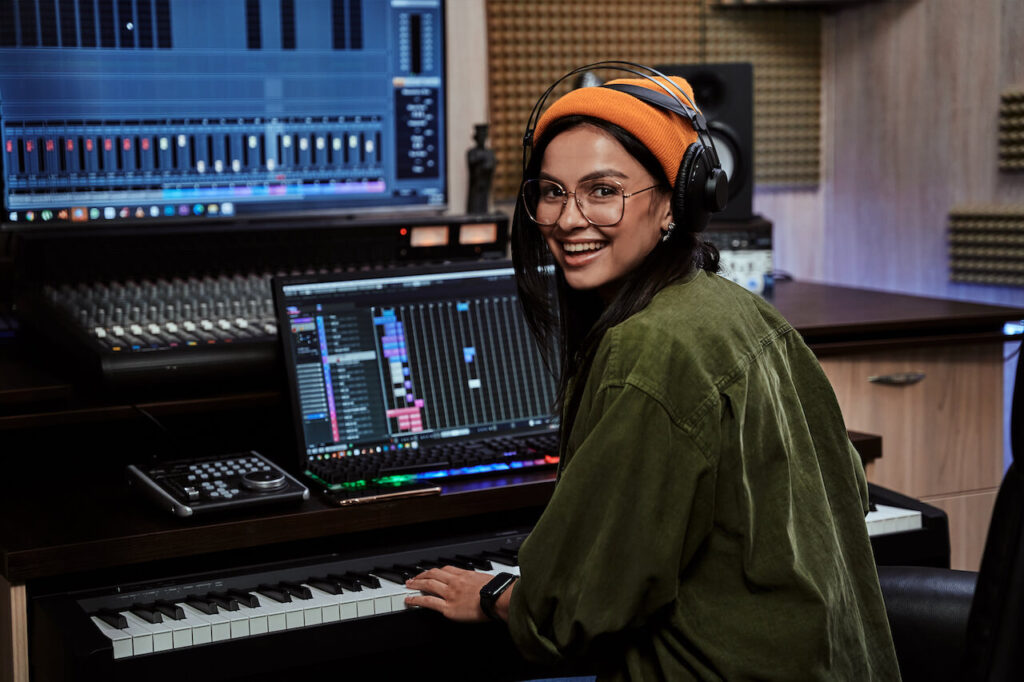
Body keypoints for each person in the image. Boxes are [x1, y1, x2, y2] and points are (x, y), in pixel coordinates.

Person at [405, 69, 901, 681]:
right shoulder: (742, 312)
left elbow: (574, 611)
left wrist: (495, 595)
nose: (567, 219)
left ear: (673, 203)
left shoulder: (650, 348)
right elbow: (845, 492)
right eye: (552, 191)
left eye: (603, 190)